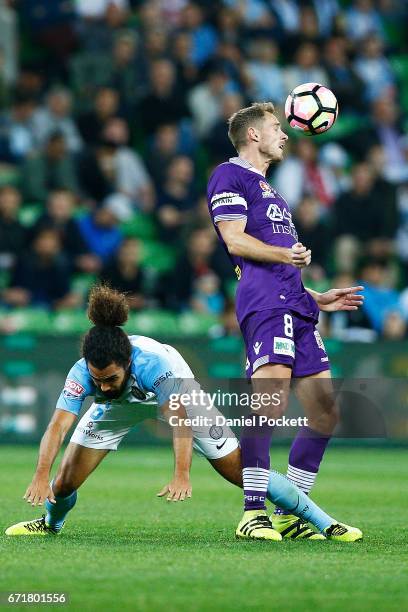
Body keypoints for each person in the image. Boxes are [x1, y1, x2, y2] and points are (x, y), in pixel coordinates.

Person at [5, 285, 361, 542]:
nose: (105, 385)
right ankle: (50, 524)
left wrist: (181, 474)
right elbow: (57, 427)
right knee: (64, 481)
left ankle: (324, 522)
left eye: (111, 378)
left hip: (181, 399)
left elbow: (179, 420)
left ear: (127, 363)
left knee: (245, 471)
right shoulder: (84, 372)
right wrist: (40, 475)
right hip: (115, 412)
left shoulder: (155, 364)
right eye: (98, 380)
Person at [206, 102, 364, 540]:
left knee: (325, 411)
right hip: (264, 303)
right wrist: (286, 255)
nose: (285, 134)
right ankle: (253, 511)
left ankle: (293, 513)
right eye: (276, 127)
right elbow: (235, 240)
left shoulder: (271, 191)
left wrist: (317, 295)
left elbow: (277, 260)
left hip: (296, 303)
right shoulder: (229, 174)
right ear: (253, 135)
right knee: (270, 400)